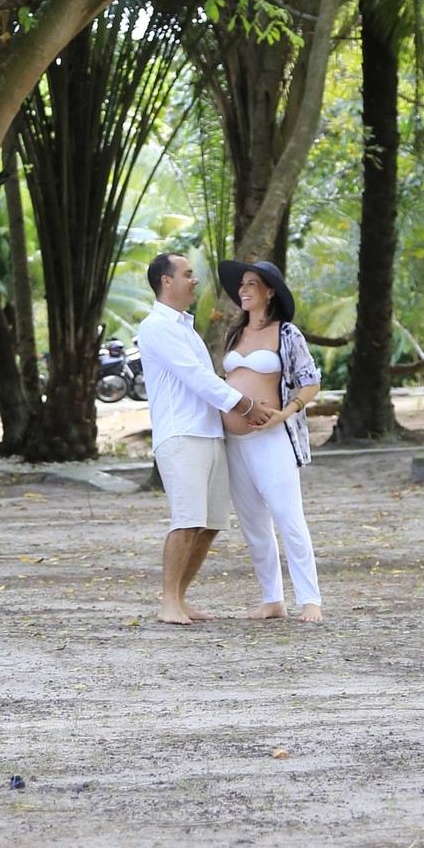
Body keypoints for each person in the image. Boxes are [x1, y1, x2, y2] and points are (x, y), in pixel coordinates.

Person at [136, 253, 271, 624]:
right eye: (188, 274)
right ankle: (168, 603)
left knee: (209, 524)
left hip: (209, 432)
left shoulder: (185, 326)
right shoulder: (156, 326)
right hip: (182, 435)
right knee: (187, 520)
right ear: (166, 281)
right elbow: (197, 377)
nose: (195, 280)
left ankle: (180, 598)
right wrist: (245, 405)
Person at [217, 259, 323, 622]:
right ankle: (272, 599)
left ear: (269, 292)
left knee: (288, 517)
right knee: (253, 524)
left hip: (272, 437)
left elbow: (310, 382)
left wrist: (285, 412)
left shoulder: (287, 333)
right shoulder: (235, 334)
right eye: (242, 284)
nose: (243, 290)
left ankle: (310, 600)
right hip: (235, 443)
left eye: (251, 284)